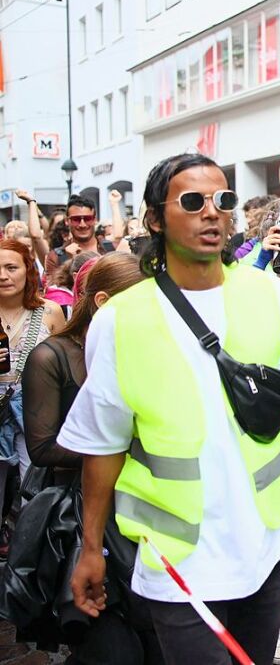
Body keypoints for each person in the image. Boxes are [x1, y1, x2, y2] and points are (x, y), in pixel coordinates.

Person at [60, 152, 280, 665]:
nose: (213, 212)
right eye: (193, 201)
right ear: (155, 219)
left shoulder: (272, 297)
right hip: (176, 557)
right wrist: (92, 546)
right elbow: (103, 445)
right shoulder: (121, 320)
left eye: (223, 200)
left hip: (263, 540)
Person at [19, 253, 155, 662]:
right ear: (102, 302)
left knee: (156, 632)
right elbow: (42, 448)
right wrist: (120, 449)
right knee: (111, 646)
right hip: (79, 508)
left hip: (142, 504)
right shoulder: (52, 357)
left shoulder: (149, 351)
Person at [0, 239, 66, 520]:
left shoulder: (50, 311)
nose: (3, 275)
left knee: (35, 490)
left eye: (11, 267)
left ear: (27, 270)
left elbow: (66, 366)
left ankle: (28, 552)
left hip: (37, 410)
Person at [44, 195, 116, 279]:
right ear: (67, 221)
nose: (82, 224)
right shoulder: (56, 256)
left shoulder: (111, 248)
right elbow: (54, 289)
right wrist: (70, 263)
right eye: (76, 219)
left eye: (87, 219)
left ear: (95, 220)